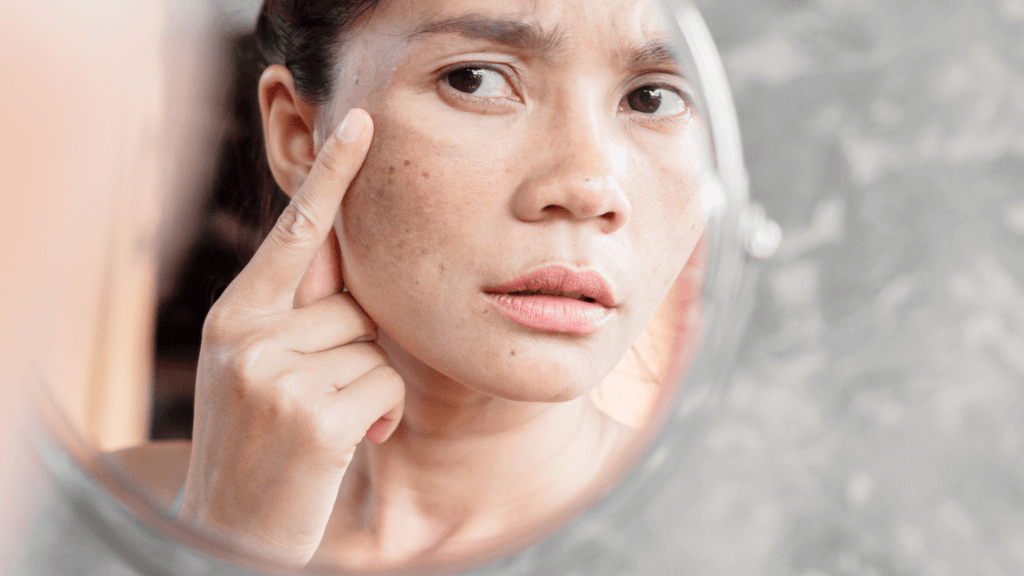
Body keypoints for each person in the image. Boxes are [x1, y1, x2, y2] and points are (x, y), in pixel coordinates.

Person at [117, 0, 710, 571]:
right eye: (475, 80)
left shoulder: (760, 548)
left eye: (653, 98)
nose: (588, 189)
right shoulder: (81, 514)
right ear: (300, 135)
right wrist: (223, 545)